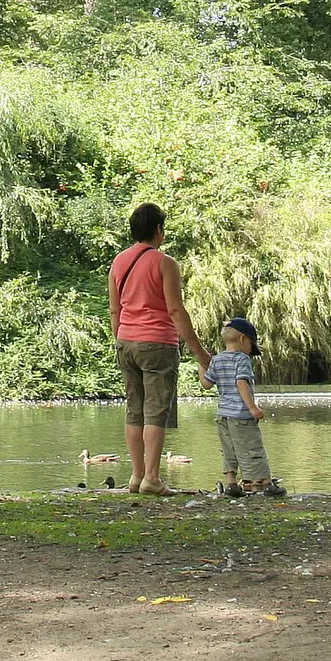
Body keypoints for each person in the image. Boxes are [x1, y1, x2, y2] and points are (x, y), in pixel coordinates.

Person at [107, 202, 210, 495]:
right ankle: (152, 477)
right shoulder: (165, 263)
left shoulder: (118, 262)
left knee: (134, 410)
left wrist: (123, 338)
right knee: (155, 412)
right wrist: (201, 354)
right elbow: (175, 310)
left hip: (126, 342)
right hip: (157, 344)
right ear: (158, 230)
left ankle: (136, 476)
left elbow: (114, 310)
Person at [202, 317, 282, 497]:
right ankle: (266, 484)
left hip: (223, 415)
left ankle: (231, 484)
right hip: (241, 414)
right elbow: (241, 383)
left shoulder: (217, 360)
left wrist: (202, 365)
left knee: (229, 449)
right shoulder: (242, 359)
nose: (250, 351)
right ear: (243, 339)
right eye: (251, 345)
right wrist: (253, 408)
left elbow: (206, 384)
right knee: (253, 448)